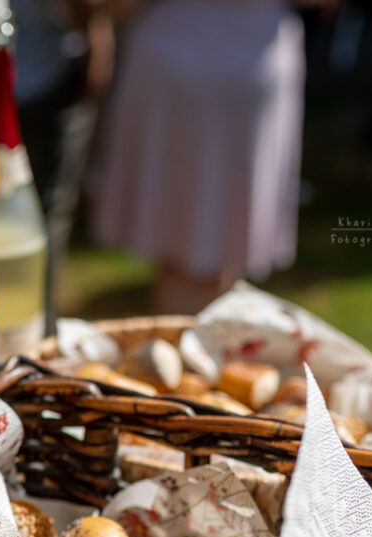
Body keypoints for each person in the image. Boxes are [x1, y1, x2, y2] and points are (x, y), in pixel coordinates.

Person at [91, 0, 305, 314]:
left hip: (175, 57)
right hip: (247, 63)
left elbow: (121, 5)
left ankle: (195, 336)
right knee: (217, 247)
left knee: (183, 254)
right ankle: (198, 335)